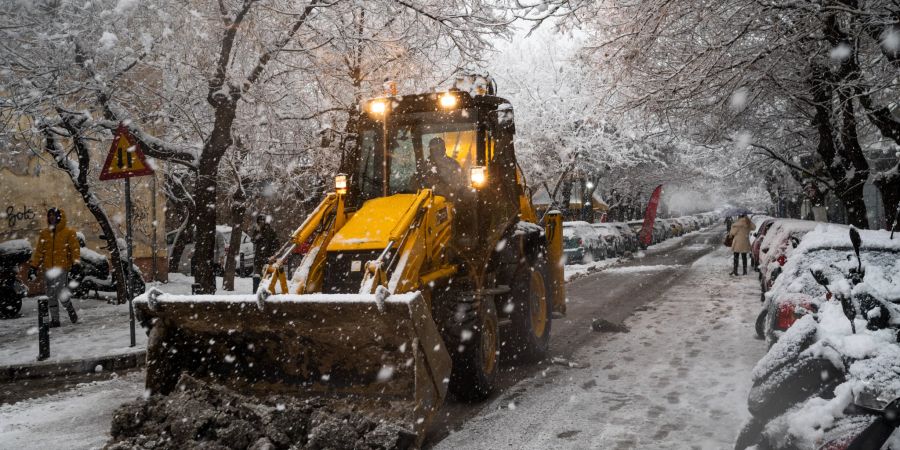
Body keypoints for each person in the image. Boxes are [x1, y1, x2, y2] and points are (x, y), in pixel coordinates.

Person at [28, 208, 80, 327]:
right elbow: (39, 252)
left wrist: (76, 263)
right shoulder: (44, 233)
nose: (51, 217)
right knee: (50, 294)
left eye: (53, 215)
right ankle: (55, 320)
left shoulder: (68, 232)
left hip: (62, 268)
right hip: (48, 269)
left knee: (61, 293)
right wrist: (33, 266)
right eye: (49, 215)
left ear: (59, 217)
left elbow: (74, 249)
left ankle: (69, 308)